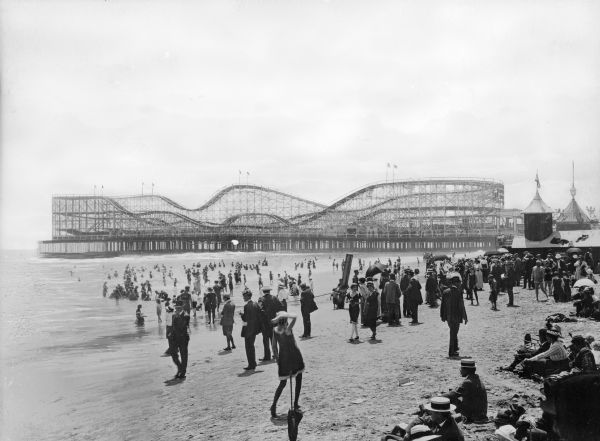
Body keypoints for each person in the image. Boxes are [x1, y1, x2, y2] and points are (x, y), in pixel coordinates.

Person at [269, 311, 305, 418]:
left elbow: (274, 347)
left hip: (283, 358)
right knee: (298, 378)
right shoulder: (288, 329)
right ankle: (295, 403)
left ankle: (274, 405)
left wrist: (277, 359)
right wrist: (283, 315)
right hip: (294, 356)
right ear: (285, 320)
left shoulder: (275, 330)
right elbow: (295, 317)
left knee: (283, 383)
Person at [443, 359, 487, 423]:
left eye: (461, 368)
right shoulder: (476, 379)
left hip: (473, 416)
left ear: (466, 370)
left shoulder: (467, 382)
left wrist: (438, 397)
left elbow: (453, 394)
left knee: (449, 399)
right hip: (481, 414)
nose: (460, 370)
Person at [440, 273, 468, 358]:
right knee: (453, 334)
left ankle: (455, 349)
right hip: (456, 316)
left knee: (453, 333)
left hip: (448, 317)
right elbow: (461, 306)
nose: (460, 284)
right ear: (456, 283)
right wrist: (465, 317)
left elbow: (443, 305)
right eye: (458, 282)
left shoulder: (445, 292)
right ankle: (451, 352)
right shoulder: (458, 292)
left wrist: (442, 316)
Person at [240, 288, 261, 370]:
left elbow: (245, 319)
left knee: (248, 347)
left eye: (244, 296)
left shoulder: (246, 306)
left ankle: (251, 365)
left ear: (247, 296)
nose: (243, 298)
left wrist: (242, 314)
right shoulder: (255, 304)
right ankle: (253, 363)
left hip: (248, 329)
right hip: (254, 329)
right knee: (251, 346)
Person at [258, 287, 280, 361]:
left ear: (264, 292)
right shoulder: (274, 298)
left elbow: (259, 310)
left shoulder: (261, 299)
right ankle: (276, 354)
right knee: (274, 339)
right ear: (269, 291)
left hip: (265, 323)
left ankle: (267, 356)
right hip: (274, 321)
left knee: (265, 340)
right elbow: (280, 307)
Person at [170, 300, 190, 379]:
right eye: (176, 307)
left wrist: (177, 316)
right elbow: (172, 326)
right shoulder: (174, 315)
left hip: (183, 337)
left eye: (178, 307)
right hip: (175, 337)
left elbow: (182, 326)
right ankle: (180, 368)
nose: (176, 308)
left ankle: (183, 372)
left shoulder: (185, 315)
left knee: (183, 355)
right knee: (173, 353)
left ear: (182, 307)